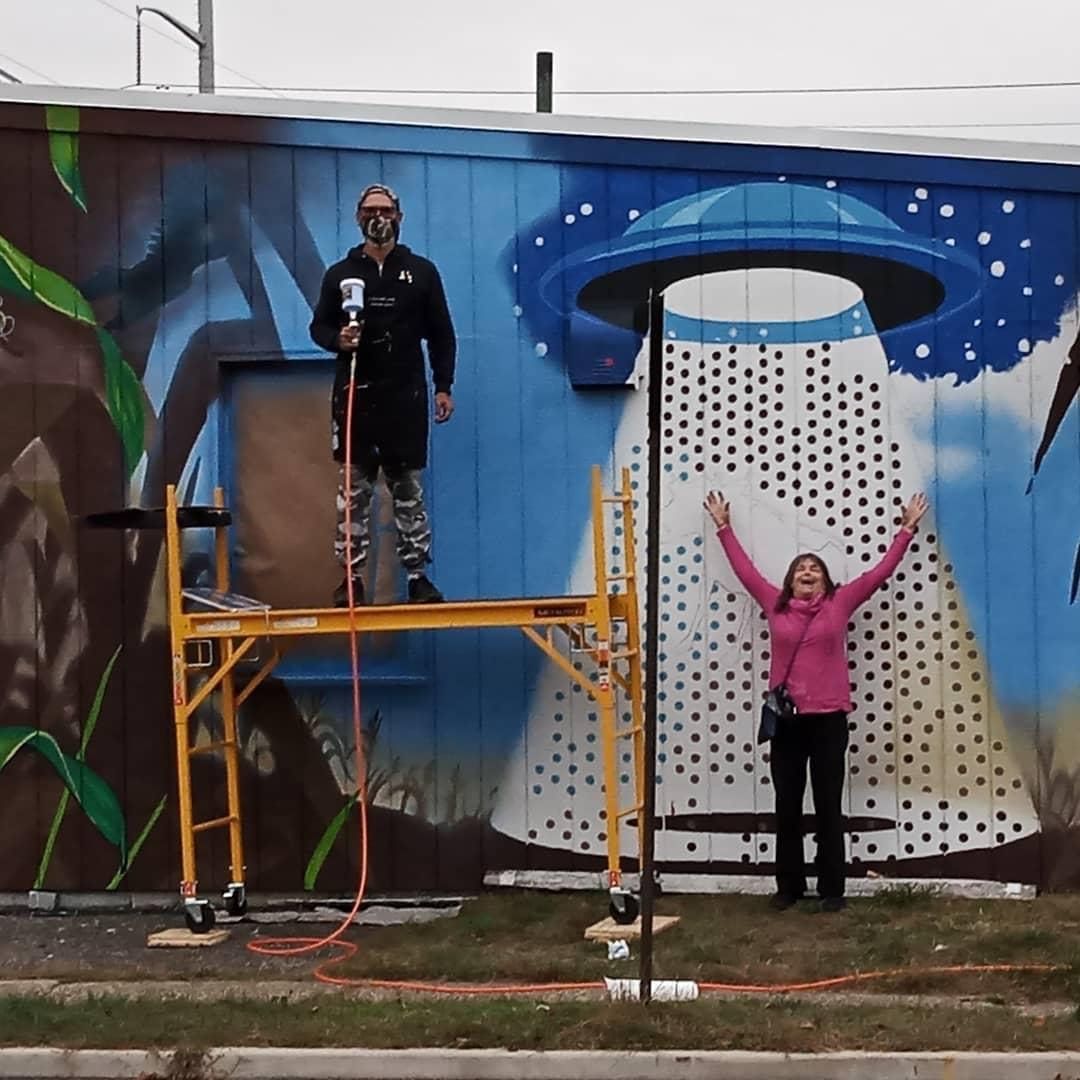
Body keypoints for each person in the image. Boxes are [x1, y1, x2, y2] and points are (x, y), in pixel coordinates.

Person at [704, 490, 929, 912]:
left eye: (815, 569)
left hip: (829, 723)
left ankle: (832, 891)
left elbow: (880, 572)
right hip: (787, 722)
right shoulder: (775, 606)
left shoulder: (840, 604)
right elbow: (744, 570)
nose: (807, 572)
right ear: (790, 581)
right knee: (786, 806)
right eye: (800, 569)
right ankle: (789, 887)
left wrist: (907, 529)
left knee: (827, 806)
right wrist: (723, 526)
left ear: (826, 581)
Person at [309, 183, 456, 606]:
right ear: (358, 218)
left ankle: (417, 577)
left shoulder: (422, 272)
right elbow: (317, 327)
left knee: (407, 488)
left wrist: (444, 385)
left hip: (405, 396)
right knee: (354, 491)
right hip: (356, 396)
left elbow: (442, 334)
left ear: (399, 217)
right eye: (371, 210)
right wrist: (339, 338)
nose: (379, 218)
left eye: (387, 210)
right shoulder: (340, 274)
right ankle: (351, 579)